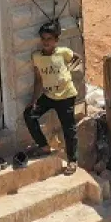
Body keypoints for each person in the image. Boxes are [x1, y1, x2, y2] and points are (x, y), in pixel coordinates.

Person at [24, 19, 82, 174]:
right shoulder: (37, 56)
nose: (45, 42)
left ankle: (72, 160)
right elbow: (38, 79)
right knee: (29, 114)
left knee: (68, 129)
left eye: (49, 39)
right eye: (43, 39)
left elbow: (77, 57)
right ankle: (44, 147)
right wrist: (34, 100)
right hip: (49, 95)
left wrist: (69, 70)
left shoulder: (63, 52)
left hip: (66, 96)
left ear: (56, 40)